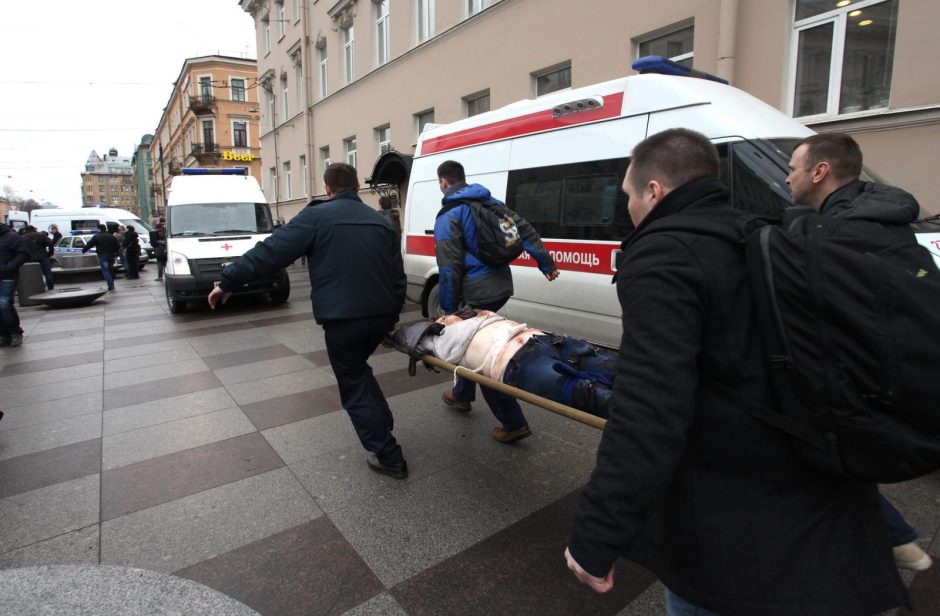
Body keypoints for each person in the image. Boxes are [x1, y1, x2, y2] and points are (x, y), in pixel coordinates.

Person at [564, 128, 907, 615]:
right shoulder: (758, 233)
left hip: (731, 527)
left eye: (628, 197)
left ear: (655, 191)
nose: (629, 210)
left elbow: (650, 408)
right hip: (819, 502)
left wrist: (597, 531)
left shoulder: (664, 255)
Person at [786, 131, 933, 572]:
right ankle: (892, 539)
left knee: (805, 446)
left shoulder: (840, 234)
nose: (788, 176)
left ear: (820, 171)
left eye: (793, 167)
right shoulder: (883, 217)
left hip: (865, 379)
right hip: (891, 375)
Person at [208, 162, 409, 479]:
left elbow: (270, 252)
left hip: (344, 320)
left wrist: (228, 281)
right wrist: (391, 314)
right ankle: (382, 428)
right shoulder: (380, 221)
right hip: (380, 315)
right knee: (359, 372)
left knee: (354, 382)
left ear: (328, 189)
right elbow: (398, 277)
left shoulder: (316, 216)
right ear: (357, 186)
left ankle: (388, 454)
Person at [434, 159, 560, 444]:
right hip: (500, 285)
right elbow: (525, 230)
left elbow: (449, 267)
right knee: (471, 341)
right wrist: (545, 263)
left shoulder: (450, 214)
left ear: (443, 182)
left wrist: (449, 309)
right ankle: (461, 394)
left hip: (476, 291)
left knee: (480, 350)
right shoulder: (491, 202)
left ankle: (513, 422)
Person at [392, 309, 616, 418]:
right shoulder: (439, 339)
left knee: (617, 367)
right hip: (517, 361)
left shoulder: (482, 316)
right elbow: (406, 337)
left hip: (545, 340)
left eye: (447, 315)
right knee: (589, 394)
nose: (447, 316)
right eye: (442, 318)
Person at [0, 223, 29, 347]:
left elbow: (24, 254)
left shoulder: (11, 237)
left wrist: (9, 267)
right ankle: (4, 334)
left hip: (7, 277)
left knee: (4, 304)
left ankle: (15, 333)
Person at [82, 224, 120, 291]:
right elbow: (117, 246)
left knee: (106, 271)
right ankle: (112, 283)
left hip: (103, 256)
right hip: (111, 256)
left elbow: (90, 244)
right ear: (105, 229)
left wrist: (84, 250)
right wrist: (116, 253)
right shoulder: (111, 236)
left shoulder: (97, 236)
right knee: (111, 270)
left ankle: (110, 285)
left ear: (99, 229)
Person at [22, 225, 55, 290]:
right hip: (43, 256)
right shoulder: (41, 235)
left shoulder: (23, 238)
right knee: (47, 273)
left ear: (25, 230)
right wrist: (50, 253)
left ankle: (35, 288)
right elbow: (50, 243)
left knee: (32, 274)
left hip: (30, 258)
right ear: (34, 229)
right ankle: (50, 288)